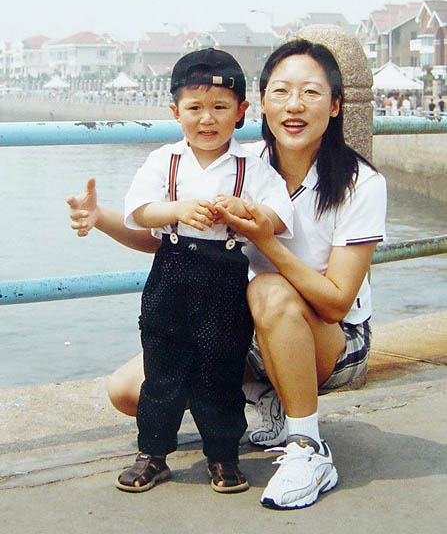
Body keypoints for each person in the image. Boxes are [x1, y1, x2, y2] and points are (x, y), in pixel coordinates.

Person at [67, 38, 387, 510]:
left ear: (336, 105)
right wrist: (100, 218)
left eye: (311, 93)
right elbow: (161, 236)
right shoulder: (236, 159)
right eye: (281, 92)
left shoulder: (360, 183)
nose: (294, 105)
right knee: (128, 391)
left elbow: (337, 302)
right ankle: (266, 398)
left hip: (329, 335)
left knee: (269, 289)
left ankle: (307, 446)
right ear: (261, 104)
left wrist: (264, 238)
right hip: (241, 324)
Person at [70, 48, 294, 495]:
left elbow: (279, 218)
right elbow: (140, 210)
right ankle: (153, 453)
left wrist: (246, 210)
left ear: (241, 112)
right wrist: (177, 209)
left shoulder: (253, 167)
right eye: (194, 108)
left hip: (225, 279)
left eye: (220, 108)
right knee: (162, 368)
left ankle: (223, 456)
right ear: (175, 112)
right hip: (170, 274)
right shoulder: (164, 160)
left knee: (220, 370)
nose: (207, 119)